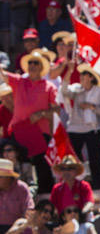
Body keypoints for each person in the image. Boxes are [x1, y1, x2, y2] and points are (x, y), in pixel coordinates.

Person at [0, 51, 58, 193]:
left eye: (35, 63)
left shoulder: (49, 86)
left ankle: (46, 197)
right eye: (30, 62)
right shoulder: (19, 81)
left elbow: (57, 109)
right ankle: (14, 194)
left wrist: (42, 114)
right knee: (17, 164)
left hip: (39, 132)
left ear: (41, 67)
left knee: (42, 166)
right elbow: (3, 75)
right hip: (20, 130)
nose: (32, 65)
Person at [60, 65, 100, 189]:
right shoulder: (77, 90)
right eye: (81, 74)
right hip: (75, 129)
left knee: (95, 160)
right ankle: (75, 186)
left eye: (85, 74)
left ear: (92, 77)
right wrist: (69, 71)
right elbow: (64, 90)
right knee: (74, 161)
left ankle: (98, 186)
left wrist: (92, 107)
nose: (81, 76)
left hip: (94, 129)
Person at [0, 159, 31, 234]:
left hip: (15, 229)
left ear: (9, 177)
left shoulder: (21, 188)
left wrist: (20, 227)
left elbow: (28, 210)